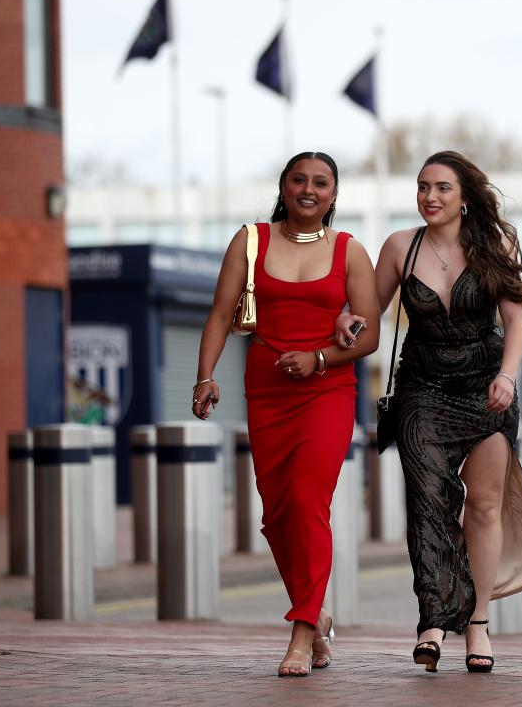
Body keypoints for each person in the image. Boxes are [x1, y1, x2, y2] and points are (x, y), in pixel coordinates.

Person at [336, 151, 522, 673]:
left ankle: (476, 624)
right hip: (422, 389)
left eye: (442, 188)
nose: (430, 197)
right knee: (429, 502)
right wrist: (347, 320)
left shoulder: (497, 243)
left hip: (486, 388)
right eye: (423, 187)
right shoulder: (400, 248)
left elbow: (516, 323)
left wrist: (507, 377)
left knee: (484, 507)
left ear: (465, 196)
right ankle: (432, 619)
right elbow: (369, 311)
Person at [194, 151, 380, 677]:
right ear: (284, 185)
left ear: (334, 194)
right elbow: (219, 314)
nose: (309, 189)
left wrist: (321, 355)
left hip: (327, 390)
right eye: (299, 179)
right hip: (267, 391)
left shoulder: (350, 251)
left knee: (306, 498)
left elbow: (370, 337)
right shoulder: (249, 241)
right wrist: (205, 376)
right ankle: (317, 613)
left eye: (321, 182)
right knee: (277, 515)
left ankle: (301, 634)